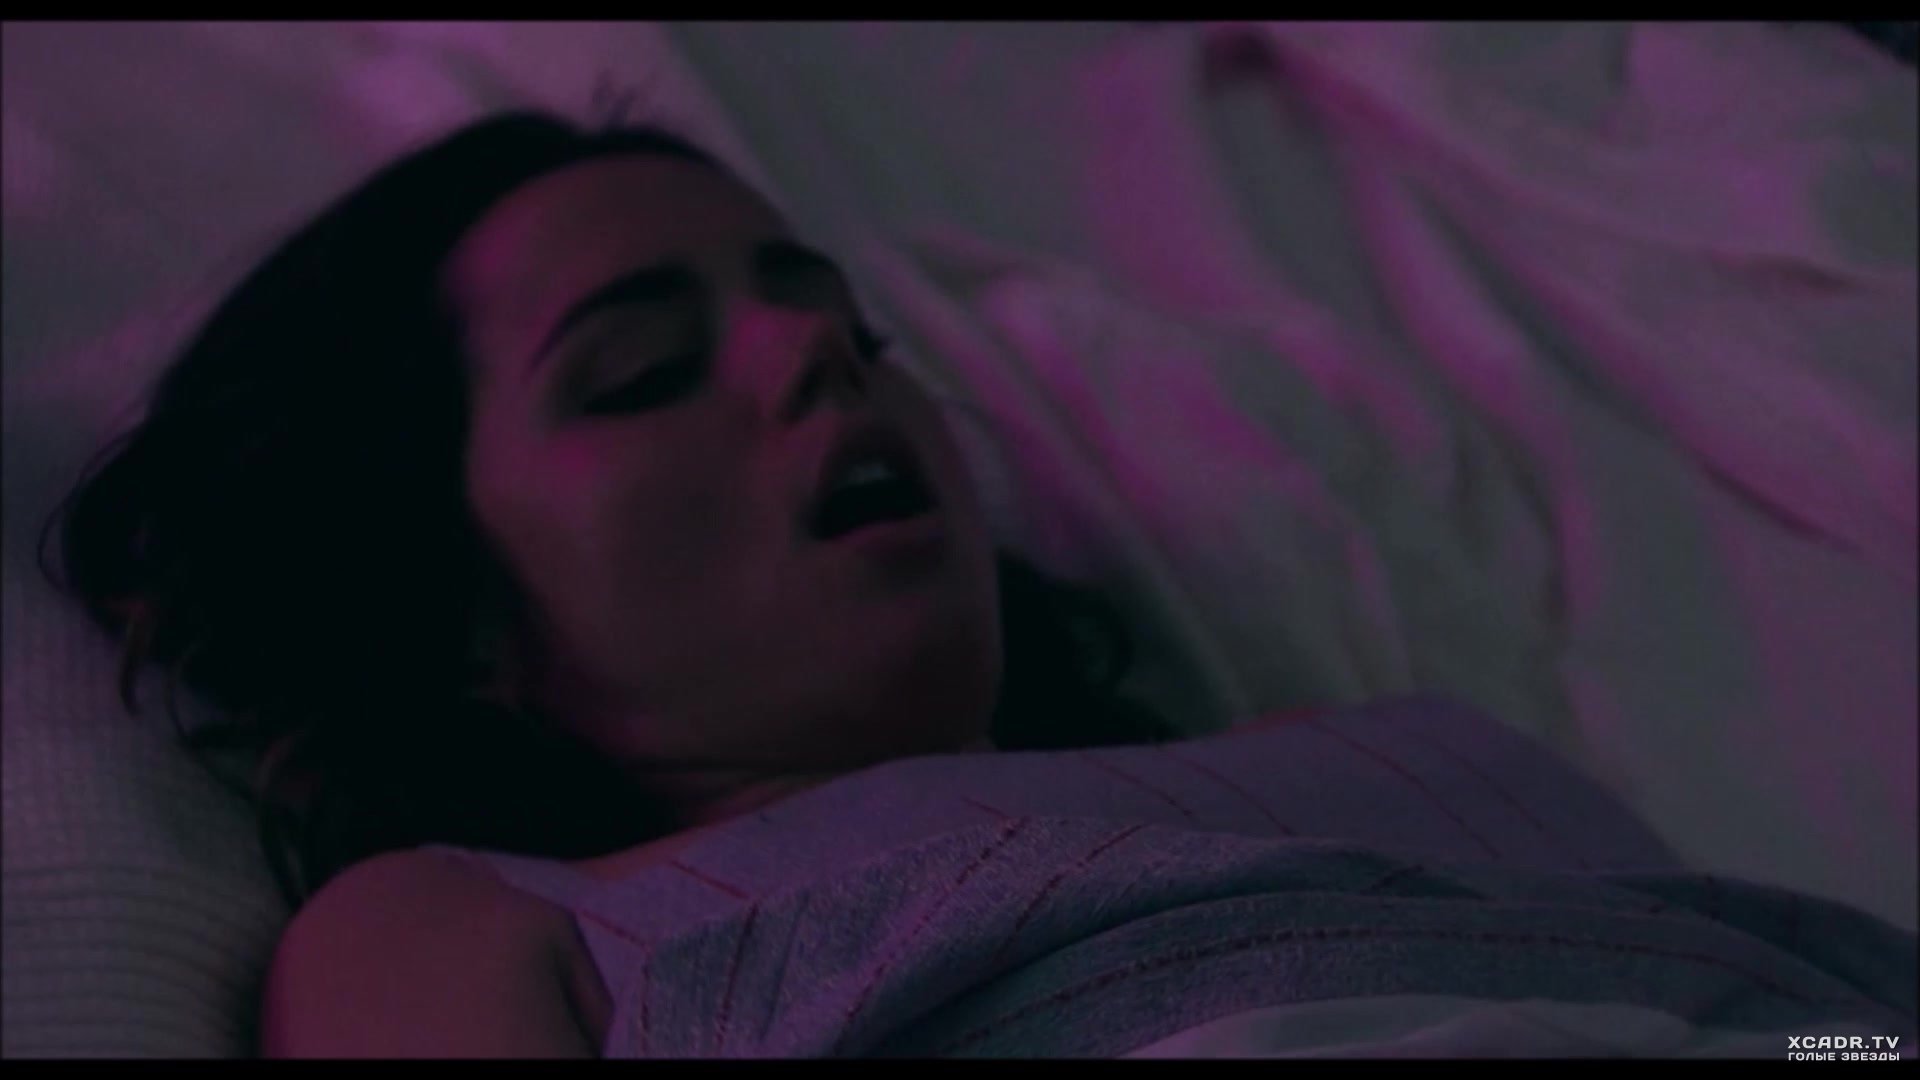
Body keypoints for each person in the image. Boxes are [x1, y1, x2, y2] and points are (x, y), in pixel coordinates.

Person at [39, 110, 1174, 1055]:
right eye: (646, 371)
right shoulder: (473, 931)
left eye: (859, 331)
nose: (813, 348)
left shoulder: (1278, 749)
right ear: (457, 616)